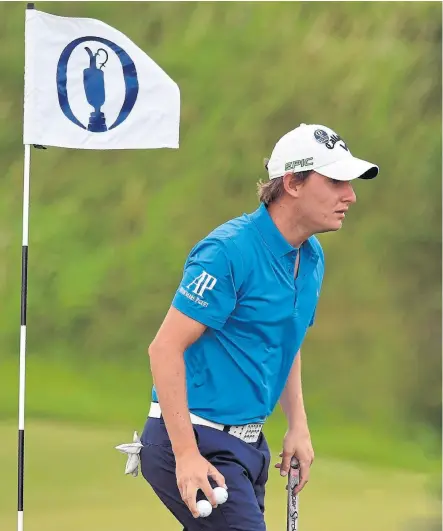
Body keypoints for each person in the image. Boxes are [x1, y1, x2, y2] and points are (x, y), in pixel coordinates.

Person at [139, 123, 379, 530]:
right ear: (292, 183)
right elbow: (164, 349)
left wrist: (297, 425)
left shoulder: (312, 256)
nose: (350, 196)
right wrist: (185, 455)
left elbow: (286, 338)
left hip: (249, 447)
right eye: (336, 181)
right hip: (194, 442)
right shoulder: (227, 252)